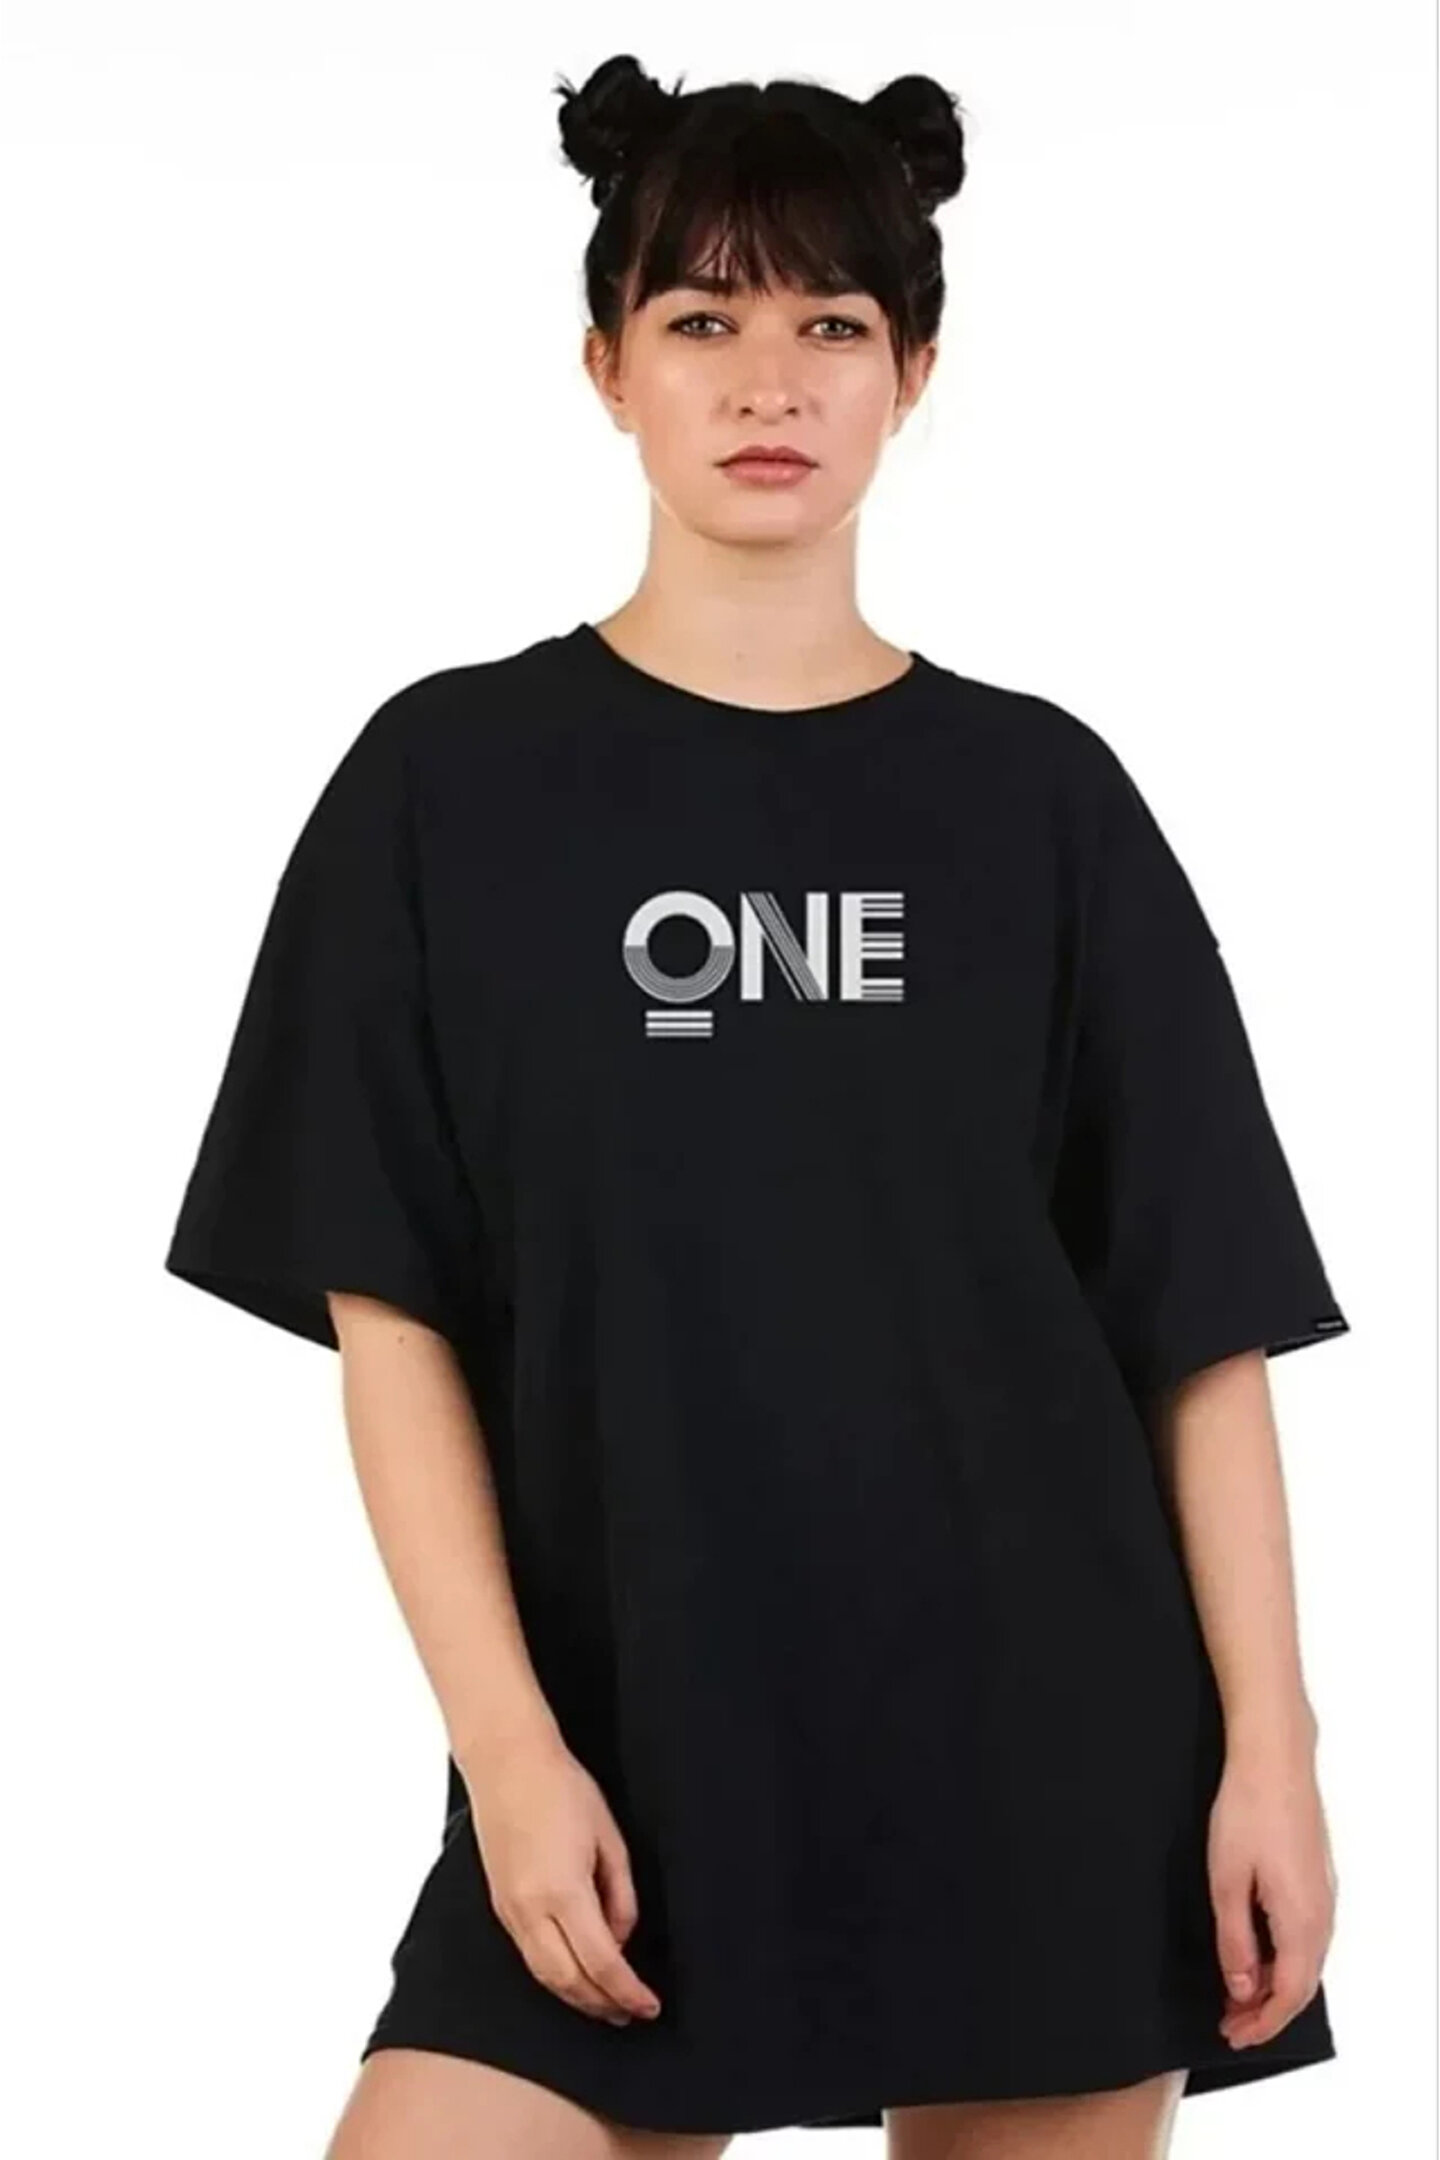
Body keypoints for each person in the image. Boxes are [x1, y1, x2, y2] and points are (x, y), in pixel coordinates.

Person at [162, 55, 1350, 2160]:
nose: (769, 381)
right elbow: (389, 1314)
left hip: (1044, 1742)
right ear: (607, 367)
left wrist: (1276, 1747)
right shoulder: (447, 786)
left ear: (915, 374)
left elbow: (1196, 1324)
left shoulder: (1044, 802)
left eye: (833, 323)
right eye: (704, 319)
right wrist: (507, 1753)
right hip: (634, 1745)